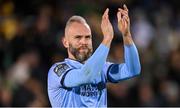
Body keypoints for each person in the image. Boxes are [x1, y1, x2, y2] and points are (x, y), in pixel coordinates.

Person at [47, 4, 141, 107]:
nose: (84, 41)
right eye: (78, 37)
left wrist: (126, 35)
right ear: (65, 42)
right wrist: (107, 39)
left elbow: (132, 70)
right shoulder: (58, 71)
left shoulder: (101, 68)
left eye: (87, 37)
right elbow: (86, 76)